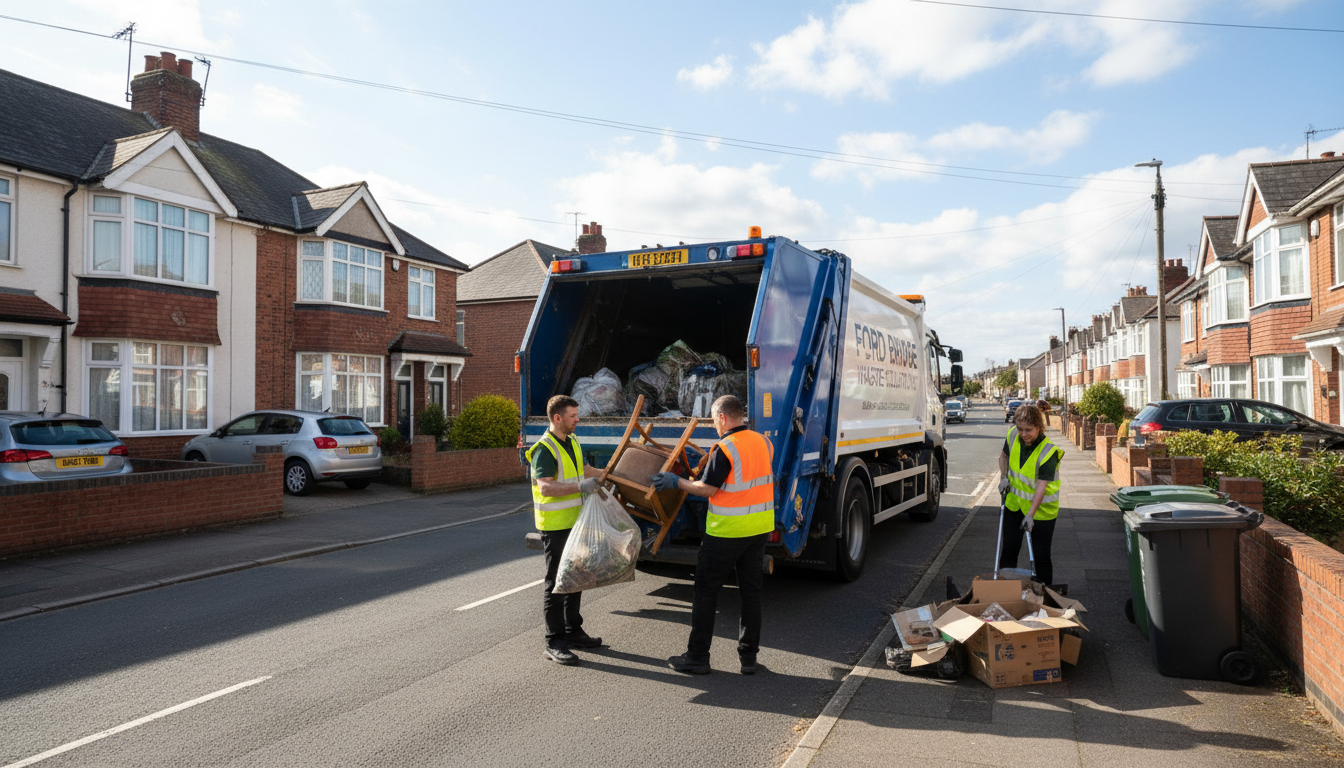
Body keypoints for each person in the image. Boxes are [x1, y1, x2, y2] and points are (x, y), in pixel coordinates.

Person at [650, 394, 774, 676]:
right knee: (751, 594)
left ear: (722, 418)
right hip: (758, 531)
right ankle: (749, 658)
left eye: (713, 420)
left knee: (706, 593)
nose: (714, 426)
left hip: (725, 534)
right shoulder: (764, 442)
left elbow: (707, 489)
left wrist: (677, 482)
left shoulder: (725, 448)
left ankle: (697, 657)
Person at [526, 394, 606, 665]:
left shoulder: (571, 440)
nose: (577, 419)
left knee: (576, 578)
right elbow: (545, 486)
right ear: (557, 418)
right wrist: (580, 487)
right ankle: (554, 642)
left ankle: (573, 631)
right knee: (556, 584)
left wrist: (607, 474)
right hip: (557, 526)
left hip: (576, 521)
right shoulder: (544, 449)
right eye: (573, 416)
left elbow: (583, 469)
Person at [997, 403, 1063, 587]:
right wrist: (1004, 477)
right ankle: (1006, 591)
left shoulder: (1048, 451)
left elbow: (1042, 486)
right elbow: (1003, 457)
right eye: (1020, 429)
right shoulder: (1012, 435)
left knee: (1041, 557)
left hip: (1041, 512)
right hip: (1014, 505)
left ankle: (1045, 597)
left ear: (1040, 428)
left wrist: (1031, 515)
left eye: (1029, 430)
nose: (1023, 434)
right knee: (1009, 551)